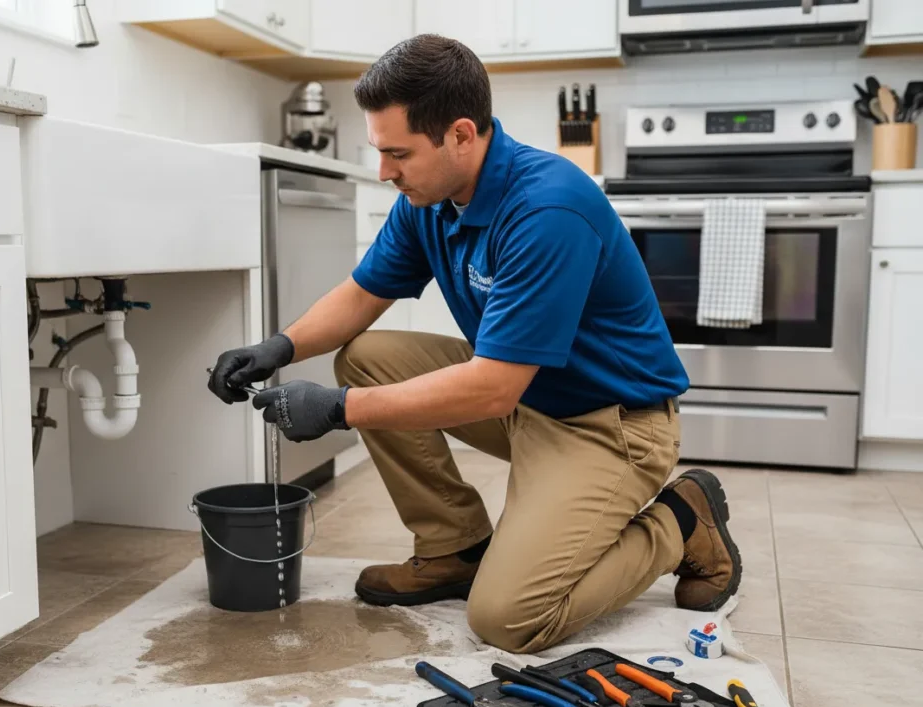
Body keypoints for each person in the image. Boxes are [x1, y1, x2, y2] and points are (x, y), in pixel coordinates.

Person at [208, 34, 742, 654]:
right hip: (528, 399)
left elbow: (492, 387)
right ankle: (453, 548)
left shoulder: (547, 209)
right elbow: (361, 296)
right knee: (368, 357)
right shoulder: (429, 197)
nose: (384, 172)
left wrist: (338, 409)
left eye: (398, 153)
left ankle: (683, 522)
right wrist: (280, 346)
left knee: (508, 620)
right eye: (380, 152)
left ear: (461, 135)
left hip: (609, 423)